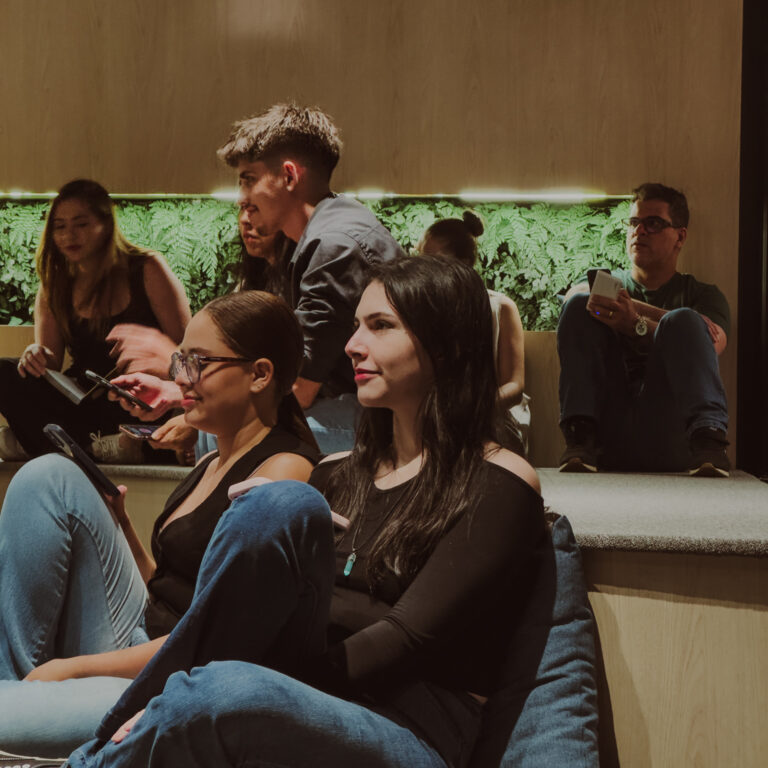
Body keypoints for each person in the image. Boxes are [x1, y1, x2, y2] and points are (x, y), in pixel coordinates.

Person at [65, 255, 544, 768]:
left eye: (381, 326)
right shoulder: (337, 471)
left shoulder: (498, 478)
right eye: (356, 325)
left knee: (219, 691)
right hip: (294, 693)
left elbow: (409, 638)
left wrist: (248, 685)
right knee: (272, 507)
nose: (353, 344)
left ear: (446, 346)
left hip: (408, 728)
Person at [0, 291, 321, 757]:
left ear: (260, 374)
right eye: (179, 361)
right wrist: (122, 525)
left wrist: (71, 669)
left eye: (198, 363)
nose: (180, 379)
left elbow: (213, 641)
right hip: (143, 637)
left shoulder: (282, 476)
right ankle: (15, 684)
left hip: (177, 679)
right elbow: (170, 590)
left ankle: (19, 698)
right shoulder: (211, 460)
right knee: (46, 476)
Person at [218, 103, 404, 452]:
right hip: (367, 405)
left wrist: (203, 399)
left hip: (393, 421)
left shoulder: (334, 246)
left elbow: (299, 388)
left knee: (221, 429)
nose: (242, 198)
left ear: (289, 176)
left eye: (249, 180)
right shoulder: (330, 226)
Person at [0, 179, 191, 462]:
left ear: (106, 225)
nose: (69, 235)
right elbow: (50, 364)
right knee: (5, 372)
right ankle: (95, 447)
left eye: (81, 224)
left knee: (148, 413)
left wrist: (161, 370)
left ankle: (44, 443)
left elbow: (188, 354)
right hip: (82, 399)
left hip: (137, 397)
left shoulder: (147, 268)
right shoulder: (55, 283)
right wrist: (34, 354)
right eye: (60, 227)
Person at [557, 182, 730, 476]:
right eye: (634, 222)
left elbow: (712, 343)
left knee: (685, 321)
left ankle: (710, 443)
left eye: (653, 223)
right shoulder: (607, 281)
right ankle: (580, 435)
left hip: (671, 433)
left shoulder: (703, 295)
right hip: (606, 436)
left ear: (680, 236)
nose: (640, 231)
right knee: (580, 305)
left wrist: (634, 322)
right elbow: (575, 296)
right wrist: (640, 314)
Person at [418, 211, 529, 456]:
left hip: (490, 417)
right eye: (421, 258)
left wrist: (470, 411)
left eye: (435, 260)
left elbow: (514, 386)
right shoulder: (418, 311)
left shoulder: (499, 308)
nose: (425, 269)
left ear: (465, 262)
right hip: (432, 421)